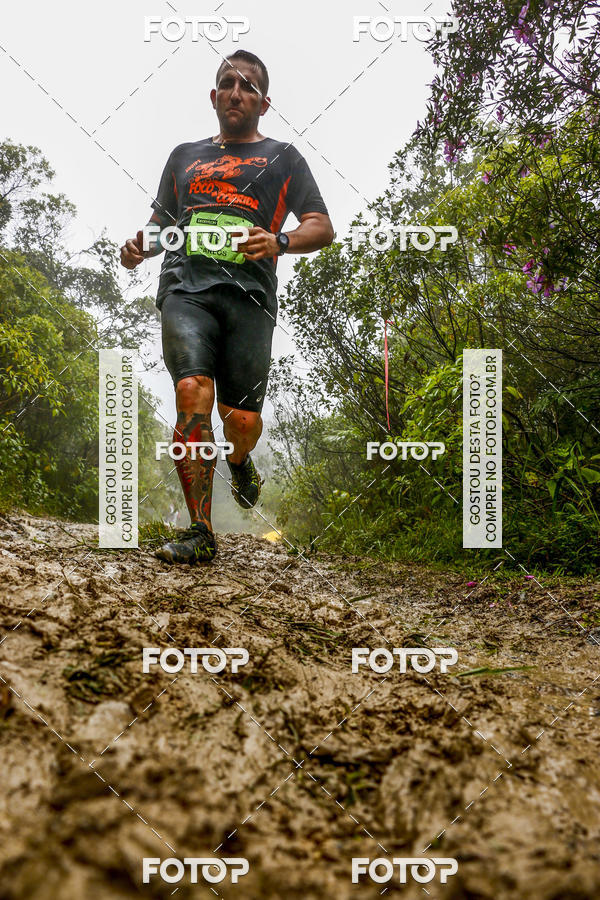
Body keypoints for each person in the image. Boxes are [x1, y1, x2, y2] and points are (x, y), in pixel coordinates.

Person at [120, 50, 334, 564]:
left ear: (263, 102)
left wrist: (279, 242)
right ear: (213, 96)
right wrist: (140, 246)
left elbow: (321, 226)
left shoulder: (284, 158)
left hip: (250, 297)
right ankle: (199, 530)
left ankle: (240, 463)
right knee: (192, 387)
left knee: (239, 420)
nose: (236, 92)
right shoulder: (183, 156)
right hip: (185, 288)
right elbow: (160, 222)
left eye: (247, 86)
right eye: (227, 84)